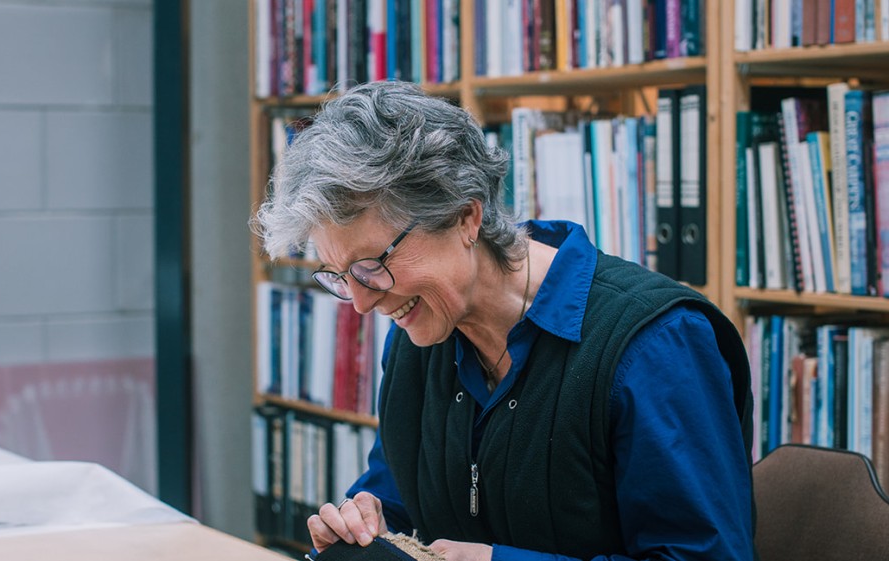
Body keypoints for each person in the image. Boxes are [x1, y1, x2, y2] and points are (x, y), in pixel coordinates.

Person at [253, 81, 756, 561]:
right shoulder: (417, 335)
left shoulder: (655, 346)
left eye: (373, 265)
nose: (362, 304)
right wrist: (361, 528)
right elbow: (397, 499)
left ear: (465, 217)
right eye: (340, 275)